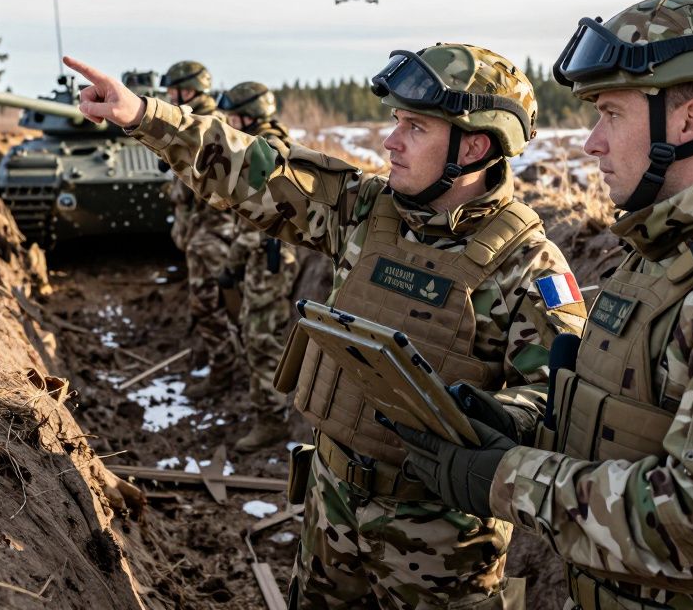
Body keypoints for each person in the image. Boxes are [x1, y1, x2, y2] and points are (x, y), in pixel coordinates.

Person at [389, 0, 693, 610]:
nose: (591, 144)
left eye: (611, 115)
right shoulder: (667, 252)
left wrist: (504, 479)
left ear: (688, 121)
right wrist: (520, 426)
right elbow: (637, 426)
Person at [63, 43, 587, 608]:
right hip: (330, 502)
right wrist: (144, 116)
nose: (391, 141)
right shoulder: (363, 210)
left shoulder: (529, 264)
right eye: (395, 123)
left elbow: (561, 398)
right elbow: (256, 171)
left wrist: (490, 418)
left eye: (415, 128)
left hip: (441, 541)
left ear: (475, 145)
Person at [215, 82, 301, 452]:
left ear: (251, 115)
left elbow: (260, 220)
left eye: (234, 116)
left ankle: (272, 422)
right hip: (263, 256)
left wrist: (232, 263)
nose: (230, 122)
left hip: (269, 259)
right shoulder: (264, 145)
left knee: (262, 339)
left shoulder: (265, 151)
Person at [159, 60, 239, 398]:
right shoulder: (196, 120)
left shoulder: (203, 125)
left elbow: (201, 184)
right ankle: (216, 359)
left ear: (188, 90)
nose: (168, 96)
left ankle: (224, 372)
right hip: (204, 231)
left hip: (213, 233)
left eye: (172, 91)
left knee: (208, 305)